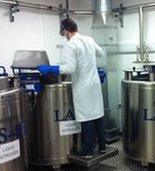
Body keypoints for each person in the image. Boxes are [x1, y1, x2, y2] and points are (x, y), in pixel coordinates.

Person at [37, 18, 106, 158]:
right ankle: (103, 146)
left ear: (66, 31)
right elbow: (101, 53)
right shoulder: (89, 39)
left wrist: (51, 69)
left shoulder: (71, 44)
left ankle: (87, 151)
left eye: (63, 33)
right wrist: (89, 63)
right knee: (97, 113)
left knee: (87, 116)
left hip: (83, 85)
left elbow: (69, 68)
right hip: (94, 83)